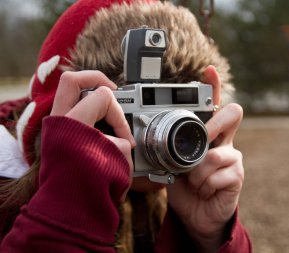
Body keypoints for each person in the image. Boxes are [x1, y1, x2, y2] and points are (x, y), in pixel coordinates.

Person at [0, 0, 251, 252]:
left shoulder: (180, 192)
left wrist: (210, 237)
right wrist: (67, 209)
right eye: (131, 112)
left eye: (176, 104)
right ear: (61, 127)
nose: (172, 135)